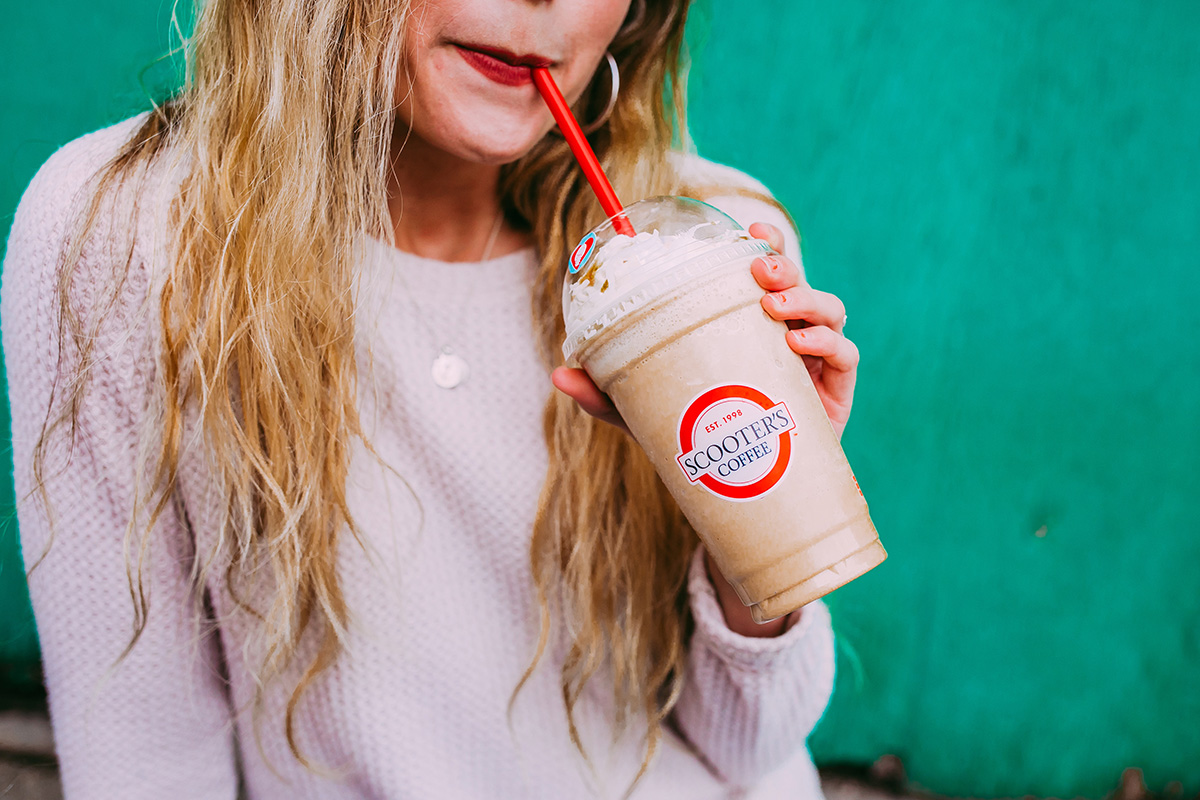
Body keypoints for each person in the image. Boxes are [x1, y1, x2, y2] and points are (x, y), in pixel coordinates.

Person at [1, 0, 861, 796]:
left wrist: (763, 526)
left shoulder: (705, 248)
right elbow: (140, 753)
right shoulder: (121, 237)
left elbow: (752, 750)